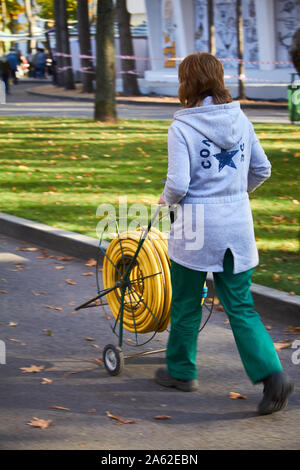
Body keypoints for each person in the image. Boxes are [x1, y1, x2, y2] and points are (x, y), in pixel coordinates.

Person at [155, 52, 294, 416]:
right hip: (236, 224)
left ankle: (182, 372)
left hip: (196, 227)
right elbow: (261, 169)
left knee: (187, 301)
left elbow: (178, 184)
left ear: (188, 83)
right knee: (240, 305)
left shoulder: (181, 126)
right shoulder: (240, 119)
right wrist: (232, 195)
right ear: (217, 79)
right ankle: (273, 377)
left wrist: (162, 204)